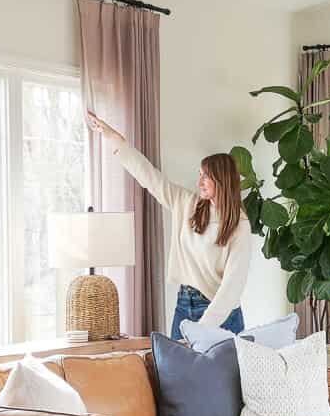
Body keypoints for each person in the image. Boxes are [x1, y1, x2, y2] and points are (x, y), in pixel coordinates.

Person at [86, 111, 251, 339]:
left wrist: (203, 327)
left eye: (206, 176)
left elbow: (232, 287)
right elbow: (150, 177)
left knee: (219, 366)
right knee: (172, 364)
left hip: (222, 315)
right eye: (199, 175)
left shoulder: (239, 225)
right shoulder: (187, 204)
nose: (199, 182)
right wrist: (114, 139)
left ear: (222, 179)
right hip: (184, 306)